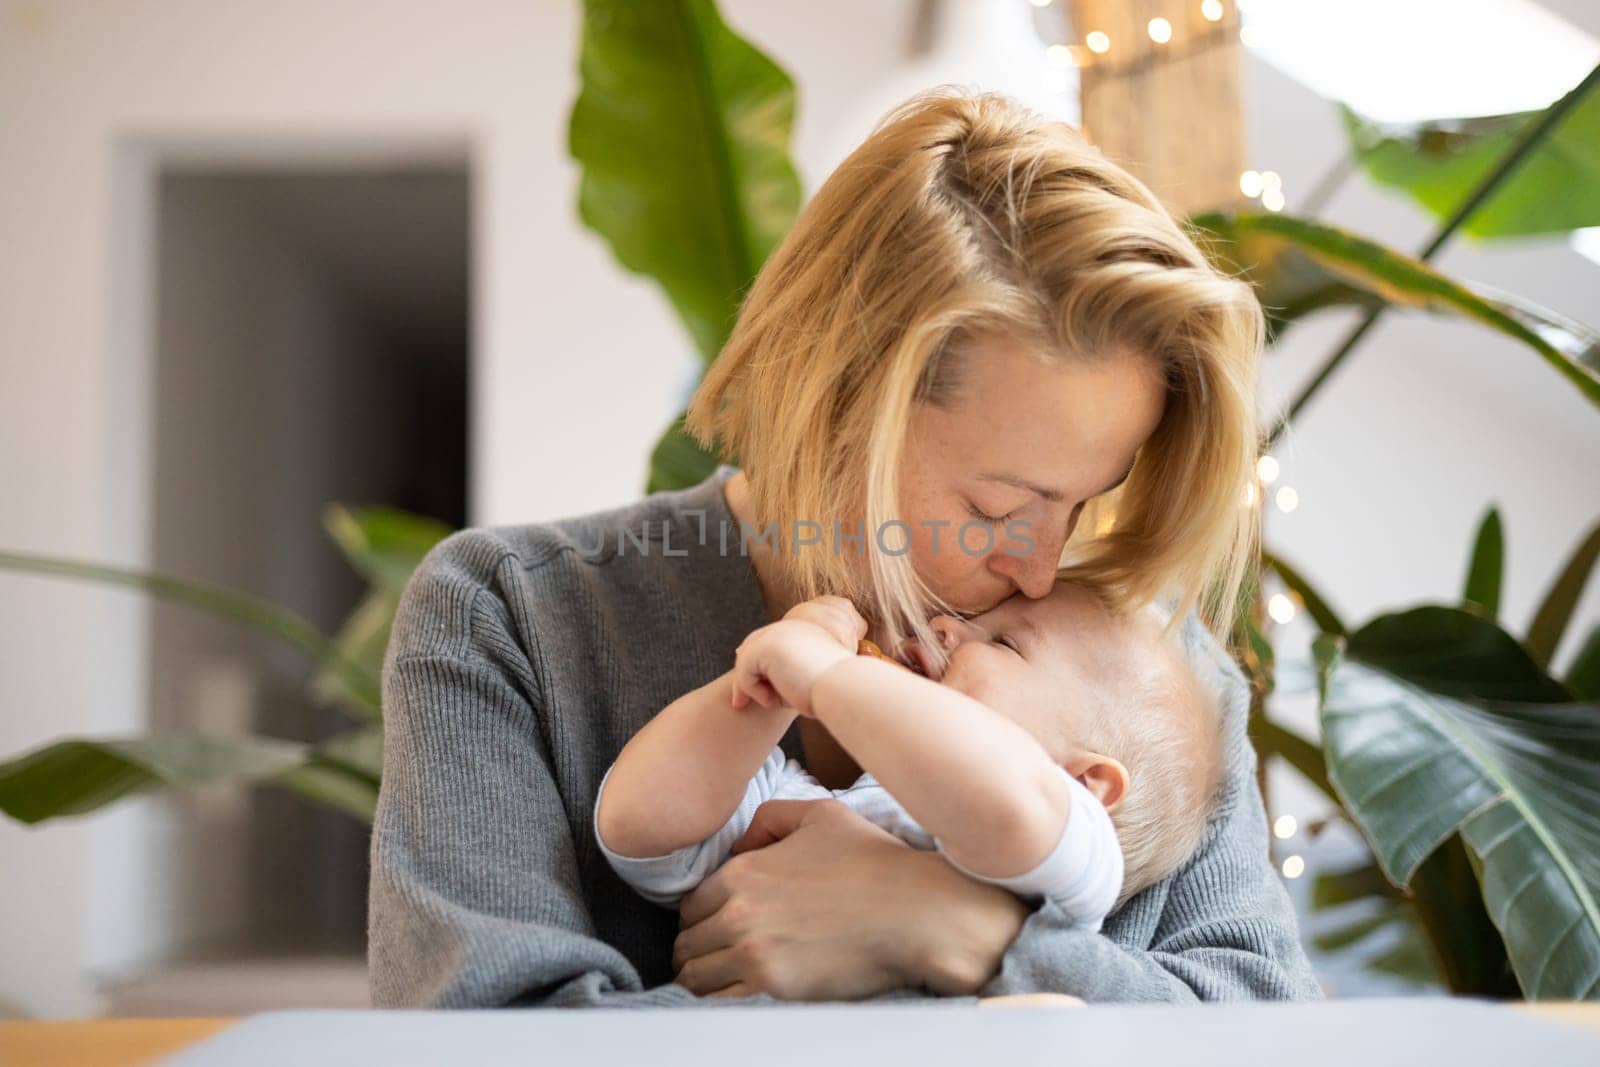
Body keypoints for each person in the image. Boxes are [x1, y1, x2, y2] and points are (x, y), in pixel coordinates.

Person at [368, 87, 1322, 1007]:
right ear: (834, 407)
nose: (1041, 573)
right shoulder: (510, 616)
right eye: (998, 507)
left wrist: (959, 936)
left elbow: (1270, 1028)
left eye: (1082, 506)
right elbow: (491, 1041)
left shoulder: (1152, 671)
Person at [594, 585, 1224, 949]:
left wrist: (829, 678)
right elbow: (641, 830)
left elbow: (1006, 805)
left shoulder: (1068, 859)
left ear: (1087, 781)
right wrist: (760, 694)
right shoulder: (818, 806)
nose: (948, 626)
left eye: (1004, 643)